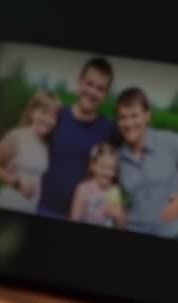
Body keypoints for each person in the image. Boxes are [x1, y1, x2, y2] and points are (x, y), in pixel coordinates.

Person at [114, 87, 178, 240]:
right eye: (122, 117)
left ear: (147, 115)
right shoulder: (119, 156)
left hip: (172, 234)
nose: (128, 123)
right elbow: (122, 195)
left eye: (134, 116)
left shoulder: (170, 141)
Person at [37, 57, 118, 219]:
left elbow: (114, 174)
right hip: (41, 208)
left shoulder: (109, 129)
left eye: (100, 89)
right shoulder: (56, 116)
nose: (92, 92)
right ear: (79, 82)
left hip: (82, 216)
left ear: (106, 94)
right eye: (89, 84)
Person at [0, 89, 58, 213]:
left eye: (53, 116)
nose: (49, 120)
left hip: (30, 207)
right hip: (10, 203)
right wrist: (17, 183)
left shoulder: (45, 145)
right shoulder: (17, 136)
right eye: (44, 113)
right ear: (32, 112)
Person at [70, 142, 126, 228]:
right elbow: (75, 218)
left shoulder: (116, 191)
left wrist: (119, 216)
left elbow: (122, 225)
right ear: (93, 166)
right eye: (104, 167)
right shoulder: (83, 189)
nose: (108, 173)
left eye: (112, 169)